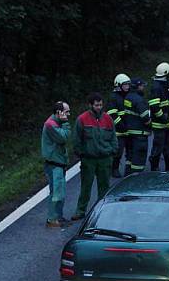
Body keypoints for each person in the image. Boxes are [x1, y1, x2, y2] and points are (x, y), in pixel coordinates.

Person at [71, 92, 117, 220]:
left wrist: (113, 150)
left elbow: (113, 136)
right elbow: (77, 139)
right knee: (86, 186)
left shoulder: (108, 119)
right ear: (90, 105)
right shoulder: (82, 119)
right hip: (89, 159)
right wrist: (82, 154)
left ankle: (103, 211)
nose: (99, 107)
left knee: (104, 187)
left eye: (101, 105)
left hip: (105, 158)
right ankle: (80, 211)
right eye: (96, 105)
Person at [41, 101, 72, 227]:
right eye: (67, 112)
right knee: (57, 193)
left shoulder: (55, 123)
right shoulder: (51, 124)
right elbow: (63, 137)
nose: (68, 114)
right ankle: (52, 219)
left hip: (59, 162)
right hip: (54, 164)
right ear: (59, 112)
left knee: (60, 192)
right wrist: (65, 123)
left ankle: (58, 216)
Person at [148, 62, 169, 171]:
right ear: (166, 74)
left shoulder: (163, 86)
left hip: (165, 123)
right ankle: (154, 167)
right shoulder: (157, 87)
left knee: (168, 145)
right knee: (158, 146)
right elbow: (154, 106)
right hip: (159, 124)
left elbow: (167, 105)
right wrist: (163, 118)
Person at [123, 78, 151, 174]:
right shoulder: (139, 100)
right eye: (142, 86)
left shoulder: (127, 97)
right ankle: (136, 179)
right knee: (139, 158)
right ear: (138, 86)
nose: (143, 88)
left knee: (130, 157)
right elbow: (145, 118)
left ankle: (127, 176)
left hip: (129, 133)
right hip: (140, 135)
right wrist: (151, 124)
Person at [107, 73, 131, 178]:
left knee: (130, 150)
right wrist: (121, 125)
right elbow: (112, 114)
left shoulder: (128, 96)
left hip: (128, 129)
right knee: (118, 151)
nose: (127, 87)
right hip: (118, 131)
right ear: (119, 85)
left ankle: (129, 170)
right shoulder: (114, 98)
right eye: (125, 85)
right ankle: (114, 169)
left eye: (128, 85)